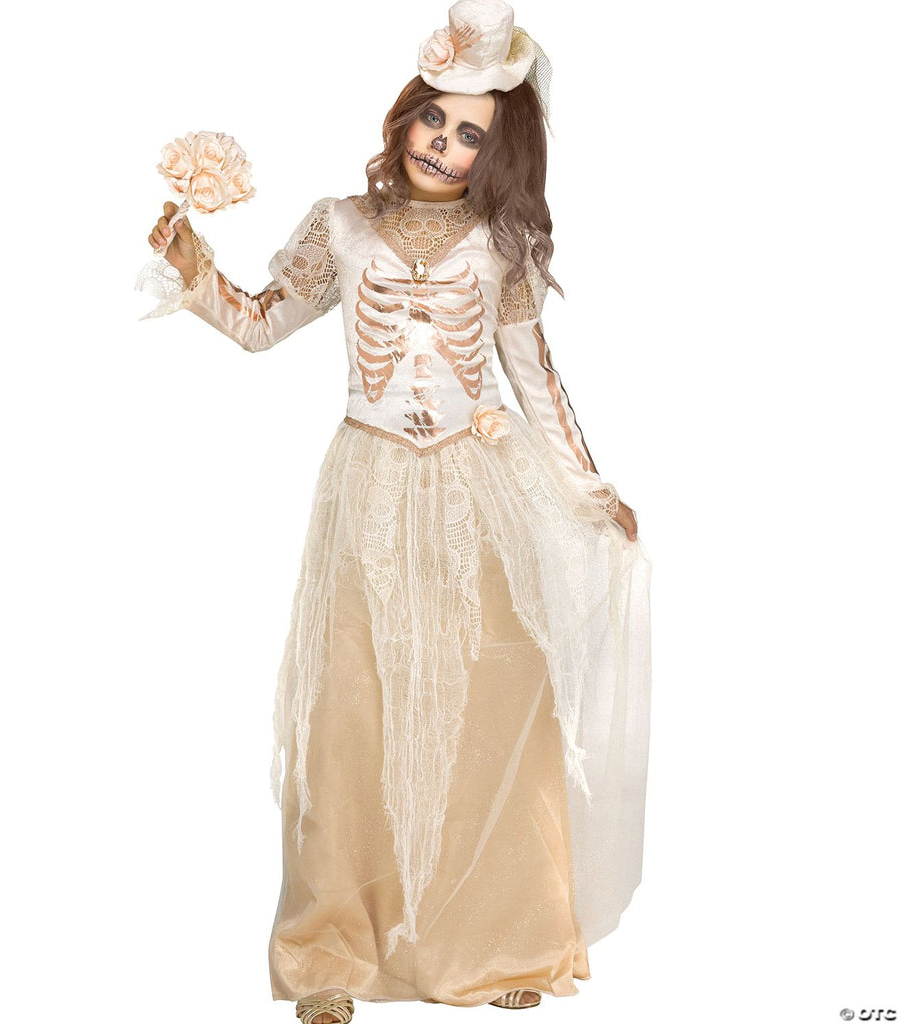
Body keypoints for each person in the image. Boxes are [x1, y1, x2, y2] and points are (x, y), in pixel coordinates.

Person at [137, 2, 652, 1020]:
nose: (444, 146)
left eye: (471, 135)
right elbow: (260, 325)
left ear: (496, 153)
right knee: (351, 716)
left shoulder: (503, 241)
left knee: (489, 702)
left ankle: (500, 939)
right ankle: (330, 955)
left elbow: (533, 376)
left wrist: (594, 490)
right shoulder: (341, 224)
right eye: (434, 119)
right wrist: (195, 268)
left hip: (474, 494)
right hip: (367, 489)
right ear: (405, 115)